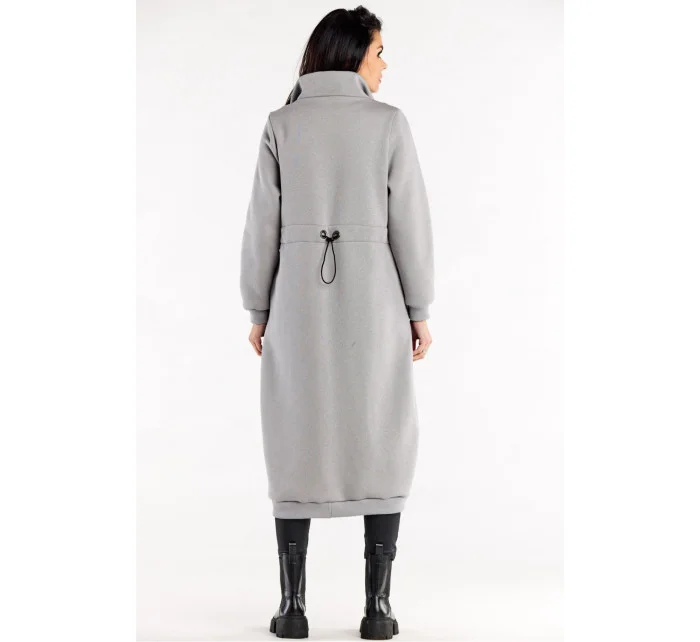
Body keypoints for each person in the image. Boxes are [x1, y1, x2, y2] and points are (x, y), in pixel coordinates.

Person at [239, 6, 434, 639]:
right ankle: (377, 609)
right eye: (379, 51)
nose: (384, 64)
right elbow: (410, 224)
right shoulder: (388, 124)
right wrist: (419, 309)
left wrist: (258, 307)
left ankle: (292, 608)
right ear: (352, 54)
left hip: (296, 301)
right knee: (381, 432)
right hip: (376, 300)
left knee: (295, 434)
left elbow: (261, 227)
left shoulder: (282, 124)